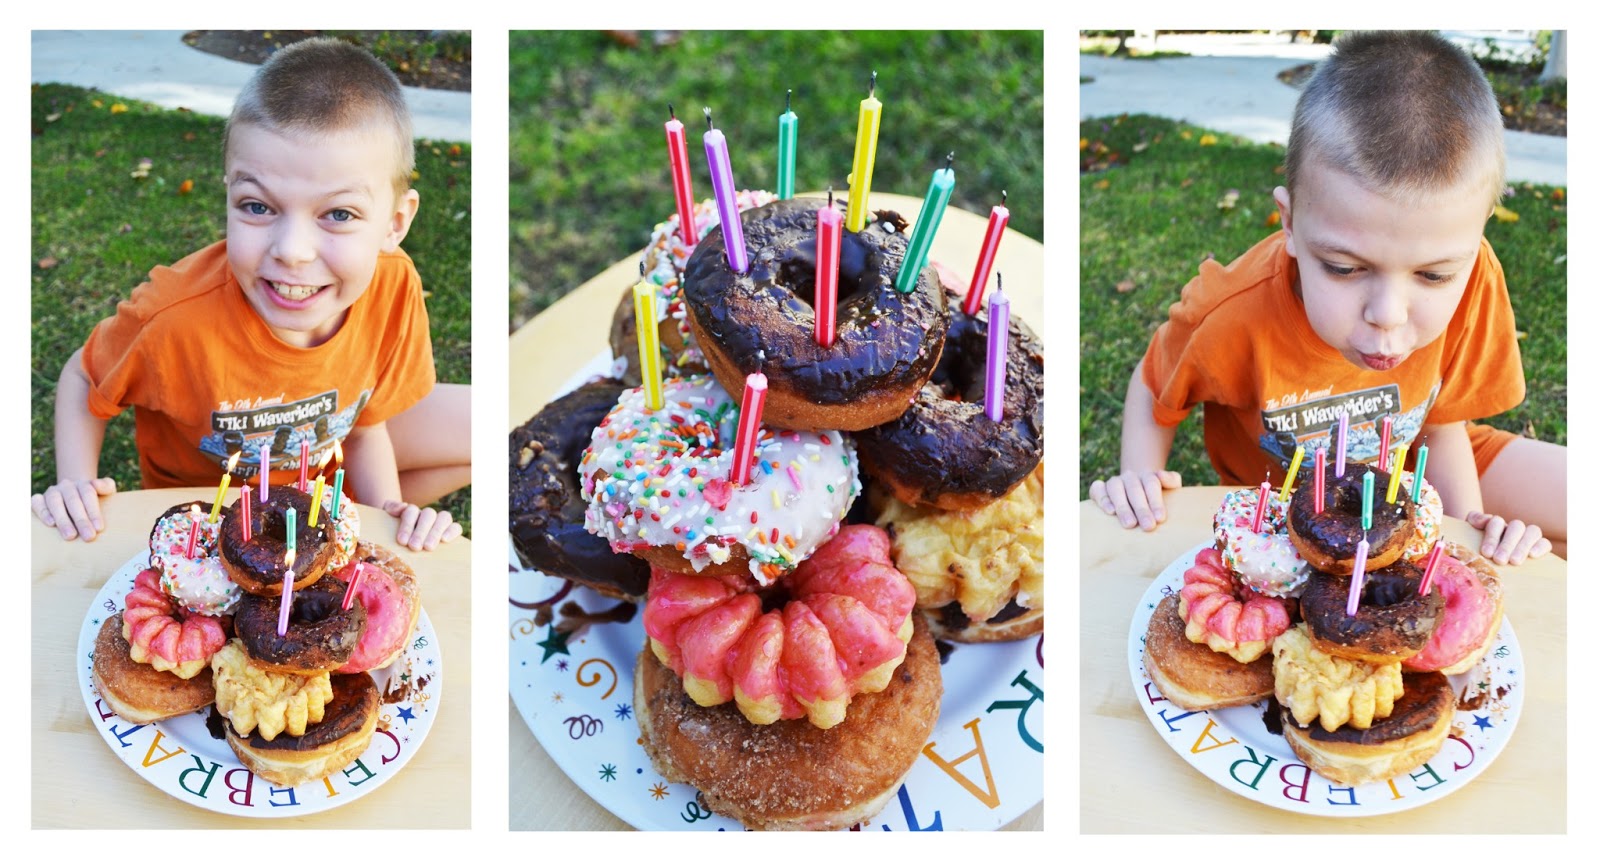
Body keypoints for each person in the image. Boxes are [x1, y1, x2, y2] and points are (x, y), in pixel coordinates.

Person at [1089, 31, 1564, 564]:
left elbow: (1440, 420)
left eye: (1432, 277)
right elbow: (1155, 387)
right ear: (1290, 223)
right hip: (1290, 512)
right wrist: (1139, 480)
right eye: (1343, 268)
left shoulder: (1476, 276)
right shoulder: (1231, 311)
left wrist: (1461, 539)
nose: (1388, 313)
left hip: (1418, 471)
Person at [31, 38, 470, 552]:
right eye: (258, 207)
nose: (293, 251)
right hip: (211, 515)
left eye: (339, 214)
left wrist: (385, 520)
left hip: (320, 477)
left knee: (494, 427)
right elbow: (85, 375)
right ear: (228, 195)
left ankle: (335, 531)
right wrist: (75, 483)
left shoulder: (394, 285)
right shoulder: (173, 316)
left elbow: (365, 424)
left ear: (395, 223)